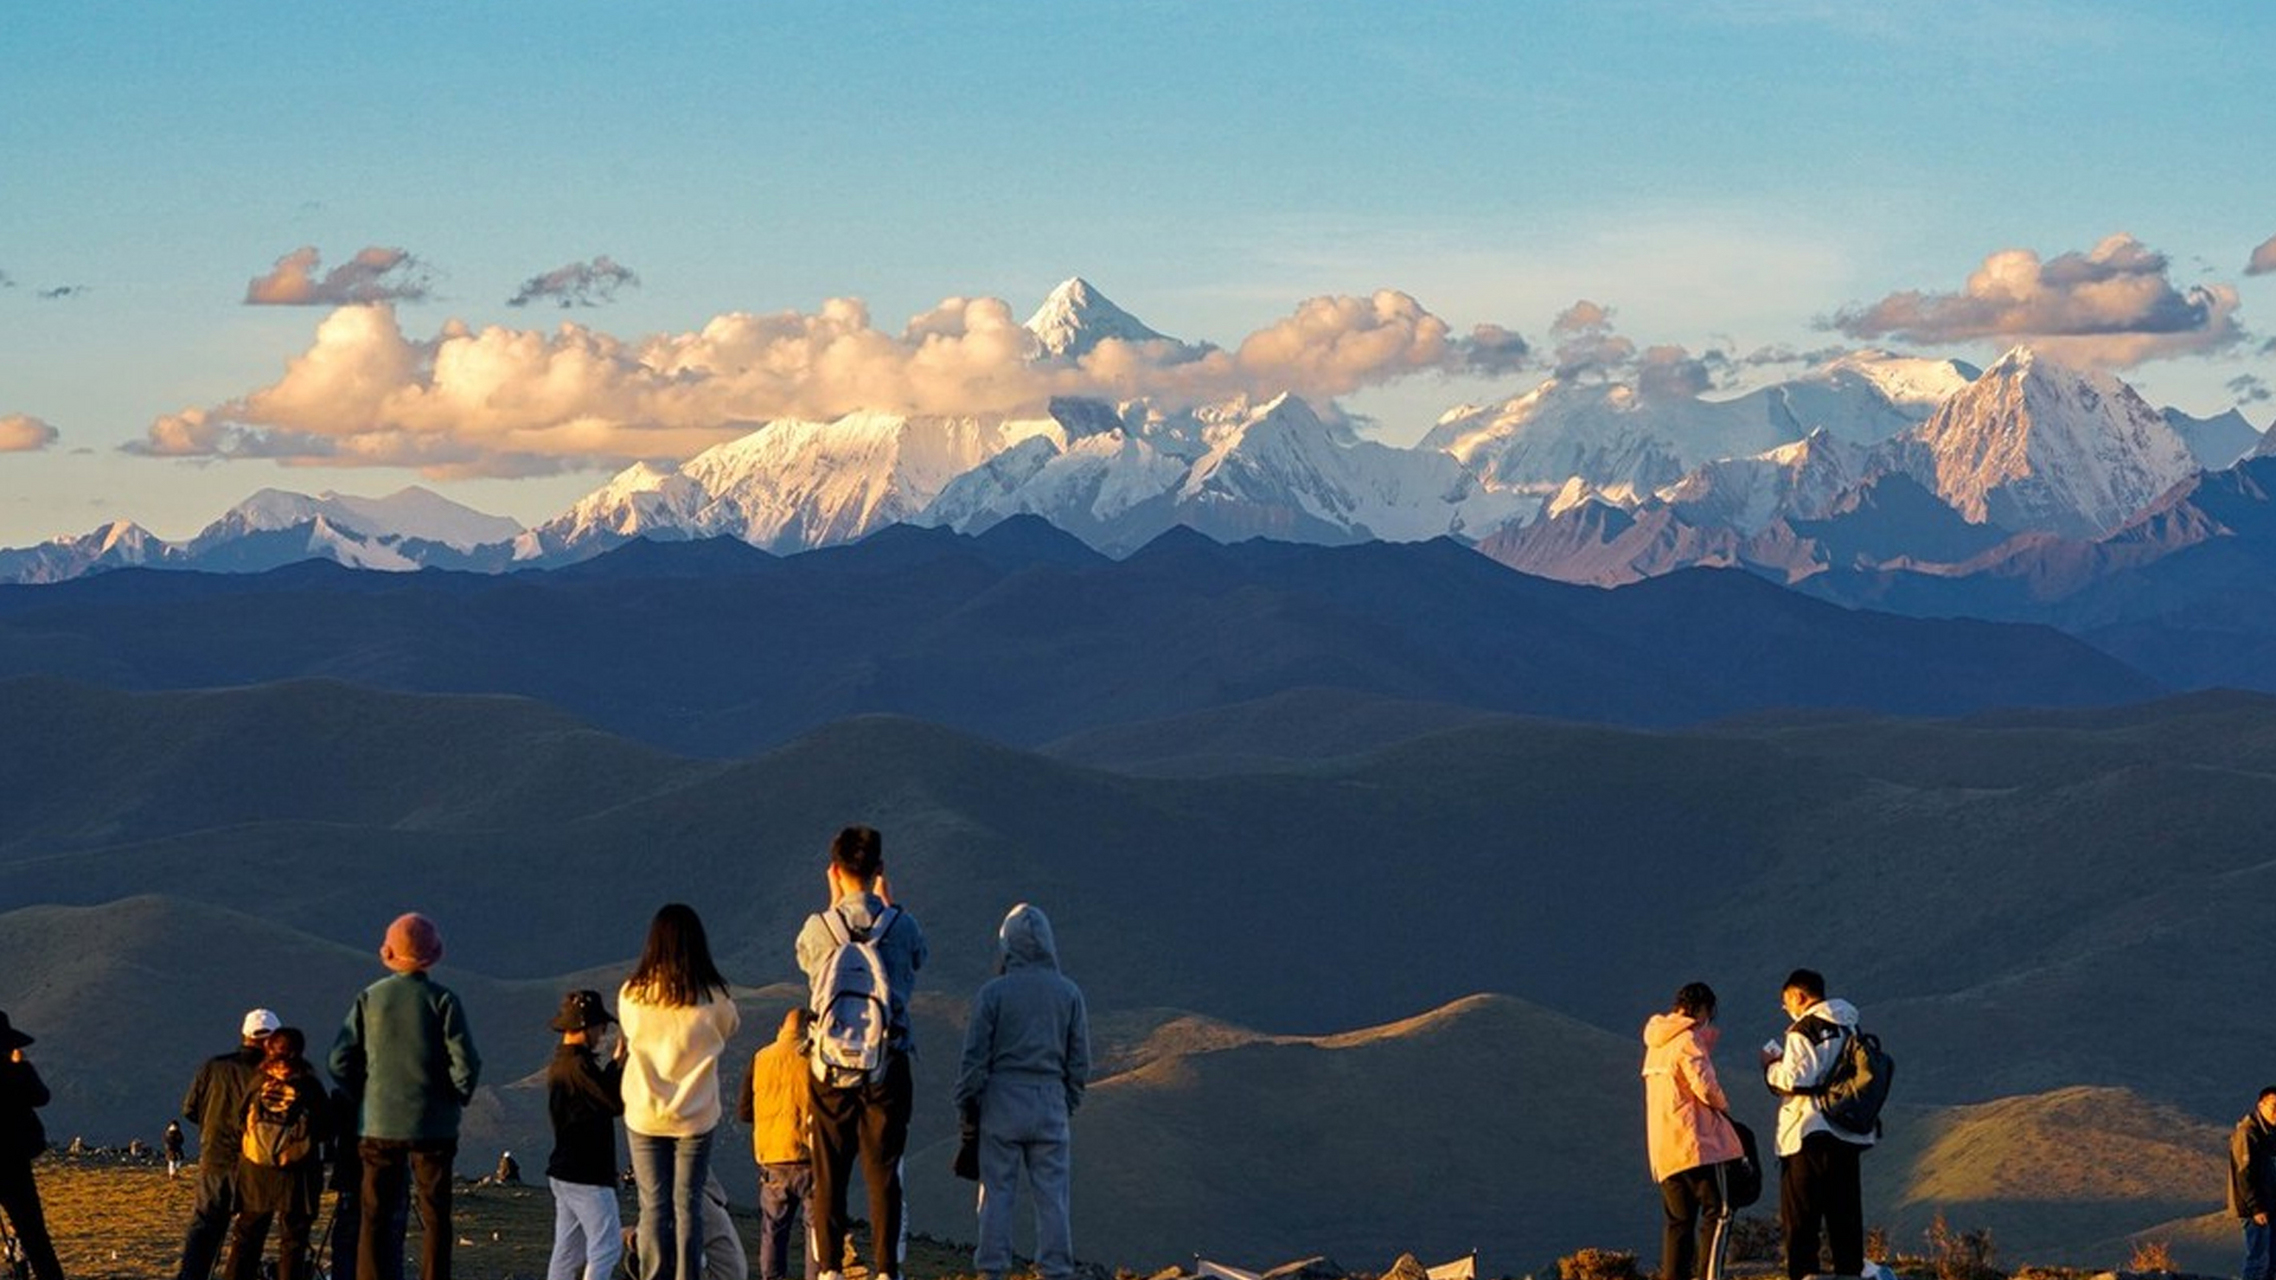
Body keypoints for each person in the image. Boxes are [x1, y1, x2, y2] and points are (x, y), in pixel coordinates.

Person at [795, 825, 928, 1280]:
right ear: (880, 871)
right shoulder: (903, 926)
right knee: (884, 1170)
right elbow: (918, 958)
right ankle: (887, 1268)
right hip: (887, 1064)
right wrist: (887, 906)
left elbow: (808, 964)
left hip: (829, 1068)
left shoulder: (818, 927)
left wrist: (835, 907)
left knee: (829, 1168)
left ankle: (830, 1267)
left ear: (834, 870)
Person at [329, 911, 481, 1280]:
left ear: (388, 953)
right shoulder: (443, 1001)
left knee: (374, 1215)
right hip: (434, 1125)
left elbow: (339, 1059)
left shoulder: (370, 999)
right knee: (435, 1215)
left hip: (379, 1124)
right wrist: (455, 1096)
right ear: (434, 955)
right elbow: (466, 1063)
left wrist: (364, 1096)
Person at [953, 903, 1090, 1280]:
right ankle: (1056, 1270)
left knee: (997, 1193)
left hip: (1001, 1102)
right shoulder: (1068, 993)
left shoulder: (993, 994)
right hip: (1049, 1102)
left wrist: (969, 1104)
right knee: (1053, 1198)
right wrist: (1066, 1102)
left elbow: (974, 1058)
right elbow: (1079, 1062)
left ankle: (992, 1269)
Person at [619, 903, 740, 1280]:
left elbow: (629, 1031)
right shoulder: (713, 1000)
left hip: (645, 1113)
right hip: (695, 1116)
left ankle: (654, 1274)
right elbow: (730, 1026)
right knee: (688, 1206)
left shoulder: (632, 995)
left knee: (654, 1205)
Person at [1760, 968, 1874, 1280]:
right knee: (1845, 1214)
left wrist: (1771, 1067)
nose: (1787, 1010)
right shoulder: (1852, 1026)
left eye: (1786, 1003)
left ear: (1798, 996)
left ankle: (1804, 1274)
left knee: (1801, 1217)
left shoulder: (1803, 1029)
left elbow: (1797, 1079)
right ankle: (1850, 1273)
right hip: (1848, 1132)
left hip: (1808, 1131)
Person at [1644, 983, 1744, 1280]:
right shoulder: (1687, 1040)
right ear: (1703, 1010)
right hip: (1698, 1144)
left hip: (1664, 1150)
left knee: (1678, 1222)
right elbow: (1704, 1086)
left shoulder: (1656, 1045)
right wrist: (1724, 1107)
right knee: (1719, 1211)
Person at [177, 1007, 281, 1280]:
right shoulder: (274, 1075)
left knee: (205, 1227)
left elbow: (190, 1109)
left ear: (245, 1035)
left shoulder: (214, 1067)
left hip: (215, 1160)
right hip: (257, 1167)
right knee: (248, 1236)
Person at [223, 1027, 329, 1280]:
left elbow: (239, 1121)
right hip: (297, 1173)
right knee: (293, 1240)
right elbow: (325, 1127)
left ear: (269, 1049)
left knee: (247, 1236)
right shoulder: (308, 1084)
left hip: (256, 1171)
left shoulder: (258, 1082)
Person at [546, 989, 626, 1280]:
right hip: (587, 1172)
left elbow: (597, 1097)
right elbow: (613, 1102)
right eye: (601, 1027)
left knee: (567, 1252)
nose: (603, 1033)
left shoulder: (562, 1063)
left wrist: (613, 1064)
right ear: (586, 1026)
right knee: (607, 1247)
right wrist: (618, 1064)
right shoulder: (579, 1066)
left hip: (564, 1170)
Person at [739, 1008, 817, 1280]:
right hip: (810, 1156)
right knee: (815, 1230)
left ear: (781, 1028)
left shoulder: (761, 1058)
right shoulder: (814, 1057)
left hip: (773, 1156)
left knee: (773, 1229)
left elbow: (744, 1111)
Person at [0, 1011, 64, 1280]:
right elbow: (41, 1097)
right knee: (34, 1233)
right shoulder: (16, 1073)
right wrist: (22, 1066)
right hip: (14, 1162)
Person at [2231, 1087, 2276, 1280]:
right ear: (2261, 1105)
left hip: (2269, 1206)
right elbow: (2244, 1173)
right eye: (2274, 1106)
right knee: (2259, 1260)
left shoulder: (2269, 1133)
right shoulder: (2248, 1133)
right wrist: (2256, 1207)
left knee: (2271, 1262)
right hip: (2256, 1211)